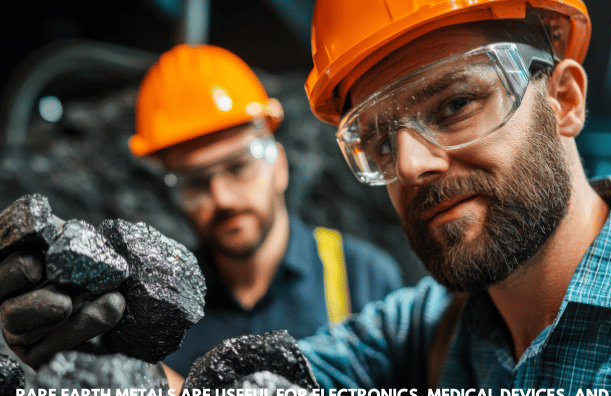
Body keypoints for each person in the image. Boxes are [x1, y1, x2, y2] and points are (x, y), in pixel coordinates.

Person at [295, 0, 611, 396]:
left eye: (455, 104)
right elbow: (251, 384)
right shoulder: (430, 325)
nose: (410, 165)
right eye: (380, 142)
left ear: (564, 101)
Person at [0, 43, 403, 378]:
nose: (223, 197)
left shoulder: (363, 276)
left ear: (278, 164)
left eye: (238, 166)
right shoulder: (156, 304)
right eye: (195, 182)